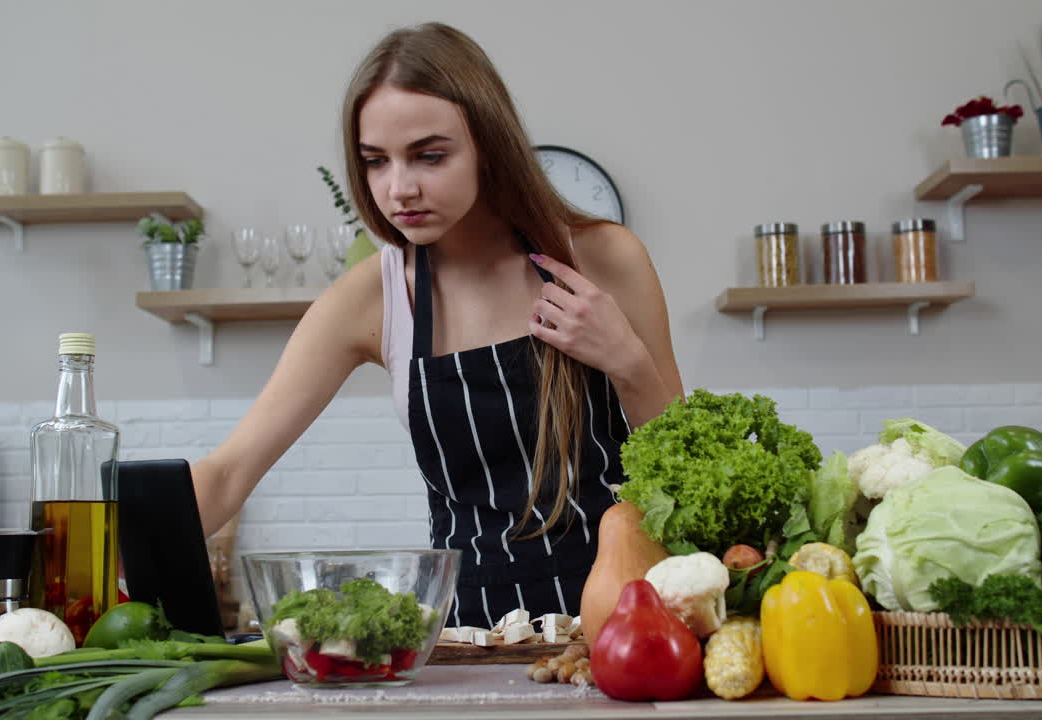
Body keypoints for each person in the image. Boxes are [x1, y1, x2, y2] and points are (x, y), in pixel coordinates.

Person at [193, 21, 682, 628]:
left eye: (430, 156)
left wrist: (627, 361)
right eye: (376, 162)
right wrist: (106, 534)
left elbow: (682, 469)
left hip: (626, 624)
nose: (400, 189)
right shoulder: (374, 296)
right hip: (470, 636)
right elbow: (228, 471)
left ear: (489, 146)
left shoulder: (608, 257)